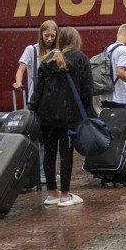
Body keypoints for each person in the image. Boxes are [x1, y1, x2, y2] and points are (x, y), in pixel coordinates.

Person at [27, 27, 94, 207]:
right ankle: (65, 194)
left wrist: (32, 110)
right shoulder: (80, 59)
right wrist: (89, 115)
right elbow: (87, 92)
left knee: (49, 153)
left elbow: (37, 91)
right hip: (68, 116)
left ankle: (52, 193)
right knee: (66, 154)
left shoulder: (46, 60)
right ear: (76, 40)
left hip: (46, 116)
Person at [14, 20, 58, 104]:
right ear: (41, 34)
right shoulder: (32, 49)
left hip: (52, 98)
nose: (49, 39)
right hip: (35, 98)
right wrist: (19, 83)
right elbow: (21, 69)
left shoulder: (57, 52)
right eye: (46, 35)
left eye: (53, 36)